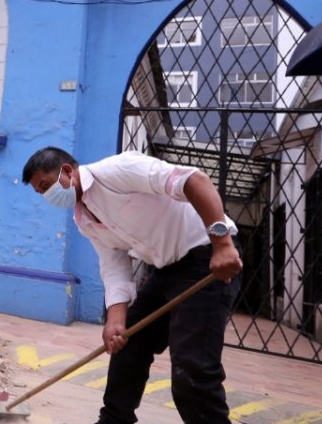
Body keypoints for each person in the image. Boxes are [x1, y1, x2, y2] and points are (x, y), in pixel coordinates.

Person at [22, 147, 243, 424]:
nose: (47, 195)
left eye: (46, 186)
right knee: (128, 345)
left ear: (66, 171)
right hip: (166, 269)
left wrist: (222, 244)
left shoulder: (117, 170)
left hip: (206, 258)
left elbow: (193, 180)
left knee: (192, 370)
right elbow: (114, 263)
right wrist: (115, 320)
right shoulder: (84, 219)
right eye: (40, 192)